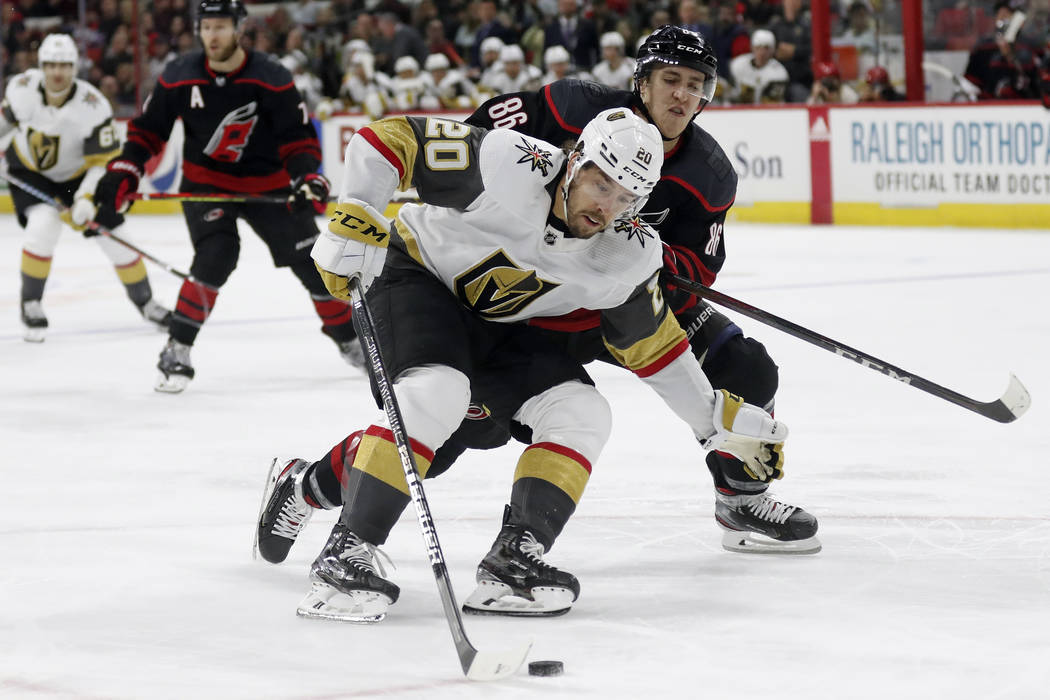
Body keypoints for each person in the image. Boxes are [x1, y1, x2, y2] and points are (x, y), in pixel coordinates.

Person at [253, 27, 818, 594]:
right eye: (600, 184)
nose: (607, 207)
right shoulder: (507, 160)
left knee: (582, 413)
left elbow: (655, 347)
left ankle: (512, 558)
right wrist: (357, 210)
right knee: (437, 402)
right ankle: (347, 551)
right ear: (574, 161)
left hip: (521, 321)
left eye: (627, 199)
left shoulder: (628, 249)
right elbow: (386, 141)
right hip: (417, 281)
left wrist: (712, 425)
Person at [91, 0, 361, 393]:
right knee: (216, 255)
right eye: (206, 27)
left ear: (238, 29)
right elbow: (148, 132)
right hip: (207, 186)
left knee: (313, 262)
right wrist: (125, 170)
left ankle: (350, 342)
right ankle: (177, 347)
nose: (212, 35)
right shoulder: (179, 75)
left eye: (220, 26)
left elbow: (297, 137)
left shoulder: (271, 76)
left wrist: (307, 177)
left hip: (267, 185)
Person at [0, 33, 171, 342]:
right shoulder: (21, 88)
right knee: (43, 225)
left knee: (117, 238)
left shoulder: (93, 106)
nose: (57, 72)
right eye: (51, 65)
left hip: (79, 177)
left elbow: (100, 163)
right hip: (29, 172)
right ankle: (31, 302)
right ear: (42, 65)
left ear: (74, 67)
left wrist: (85, 198)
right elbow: (5, 124)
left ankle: (146, 303)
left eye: (64, 65)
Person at [729, 28, 790, 104]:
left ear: (773, 50)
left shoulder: (779, 73)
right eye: (758, 47)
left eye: (766, 48)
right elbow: (730, 93)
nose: (762, 52)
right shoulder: (738, 64)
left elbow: (771, 104)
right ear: (752, 47)